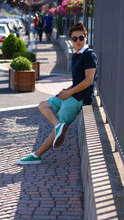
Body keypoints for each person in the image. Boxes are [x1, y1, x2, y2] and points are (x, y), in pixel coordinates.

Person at [16, 21, 98, 165]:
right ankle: (58, 125)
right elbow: (79, 80)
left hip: (79, 98)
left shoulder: (89, 55)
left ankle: (36, 155)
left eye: (81, 38)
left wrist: (70, 92)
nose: (78, 41)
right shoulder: (76, 54)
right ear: (70, 40)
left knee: (58, 129)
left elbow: (89, 81)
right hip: (72, 93)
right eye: (75, 38)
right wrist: (67, 90)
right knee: (43, 105)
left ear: (86, 37)